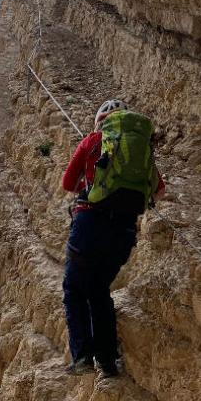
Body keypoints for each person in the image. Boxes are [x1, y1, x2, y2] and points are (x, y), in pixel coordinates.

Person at [60, 99, 165, 378]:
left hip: (89, 224)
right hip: (123, 232)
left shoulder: (93, 141)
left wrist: (90, 177)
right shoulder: (141, 149)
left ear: (101, 122)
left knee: (74, 289)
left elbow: (68, 183)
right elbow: (158, 190)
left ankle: (82, 355)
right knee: (98, 290)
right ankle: (107, 362)